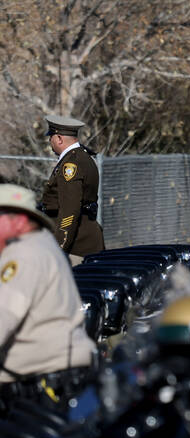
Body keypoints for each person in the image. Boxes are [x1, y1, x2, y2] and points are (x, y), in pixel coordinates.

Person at [0, 184, 96, 415]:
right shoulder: (39, 244)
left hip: (43, 385)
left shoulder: (24, 255)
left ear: (19, 221)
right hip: (54, 377)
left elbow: (3, 318)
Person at [39, 115, 105, 264]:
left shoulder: (71, 165)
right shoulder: (83, 157)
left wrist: (59, 247)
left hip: (75, 247)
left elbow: (70, 210)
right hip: (84, 239)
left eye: (51, 137)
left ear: (59, 139)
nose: (50, 142)